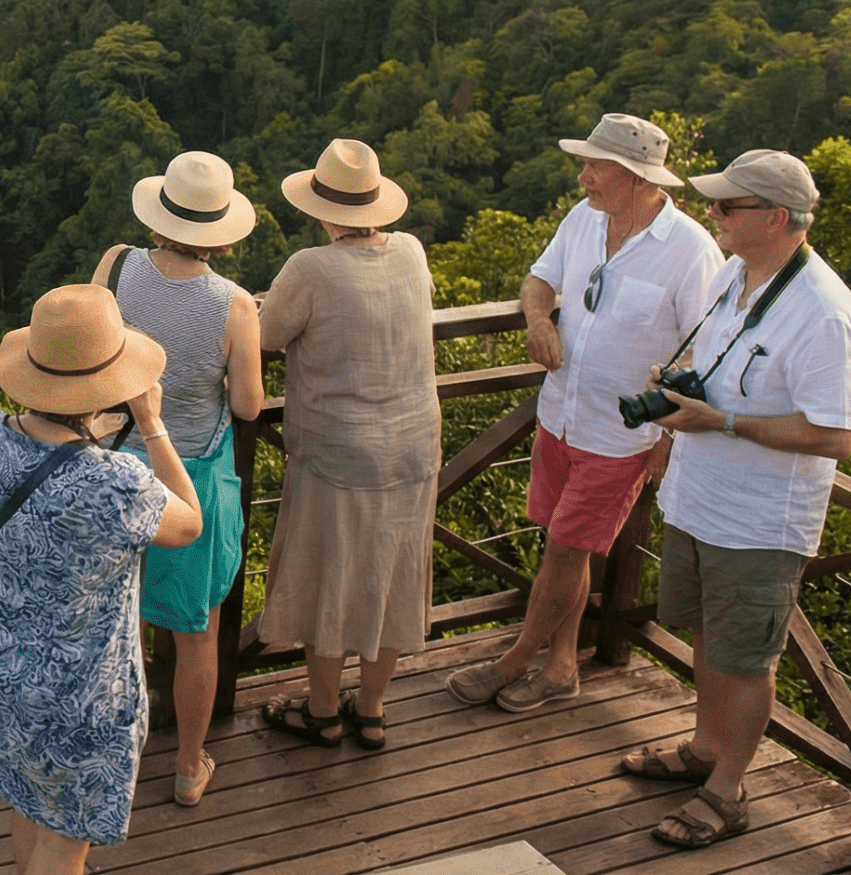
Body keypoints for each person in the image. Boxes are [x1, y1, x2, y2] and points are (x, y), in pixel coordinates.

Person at [620, 150, 851, 850]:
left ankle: (727, 790)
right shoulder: (735, 273)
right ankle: (702, 747)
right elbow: (724, 367)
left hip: (759, 521)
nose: (712, 214)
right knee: (706, 636)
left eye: (728, 206)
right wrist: (680, 390)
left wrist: (720, 420)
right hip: (699, 497)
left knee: (748, 659)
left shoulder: (821, 310)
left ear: (777, 217)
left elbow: (835, 434)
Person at [448, 115, 723, 713]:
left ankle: (515, 659)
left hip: (623, 435)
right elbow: (538, 279)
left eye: (595, 167)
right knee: (562, 545)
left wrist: (667, 441)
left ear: (636, 178)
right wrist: (540, 319)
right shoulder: (584, 218)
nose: (583, 176)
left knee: (566, 550)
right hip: (560, 414)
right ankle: (561, 665)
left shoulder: (690, 251)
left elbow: (705, 353)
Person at [0, 285, 203, 875]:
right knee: (66, 843)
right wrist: (152, 424)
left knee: (27, 802)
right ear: (105, 387)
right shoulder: (115, 483)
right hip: (82, 697)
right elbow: (188, 522)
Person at [88, 151, 266, 807]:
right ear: (221, 231)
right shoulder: (234, 304)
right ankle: (190, 766)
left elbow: (87, 354)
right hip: (190, 476)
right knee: (197, 632)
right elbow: (248, 405)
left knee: (119, 624)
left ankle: (119, 754)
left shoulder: (115, 265)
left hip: (115, 468)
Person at [254, 139, 441, 753]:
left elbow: (265, 335)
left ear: (323, 210)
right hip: (413, 446)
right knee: (392, 575)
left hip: (339, 453)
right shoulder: (411, 252)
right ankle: (375, 708)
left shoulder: (311, 267)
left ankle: (324, 711)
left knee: (330, 578)